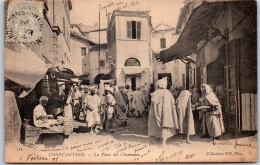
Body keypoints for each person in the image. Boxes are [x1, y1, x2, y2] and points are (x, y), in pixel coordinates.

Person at [148, 78, 179, 147]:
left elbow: (153, 100)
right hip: (167, 112)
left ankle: (161, 140)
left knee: (159, 124)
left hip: (159, 111)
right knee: (165, 125)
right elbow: (173, 102)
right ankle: (163, 141)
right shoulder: (168, 92)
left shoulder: (158, 92)